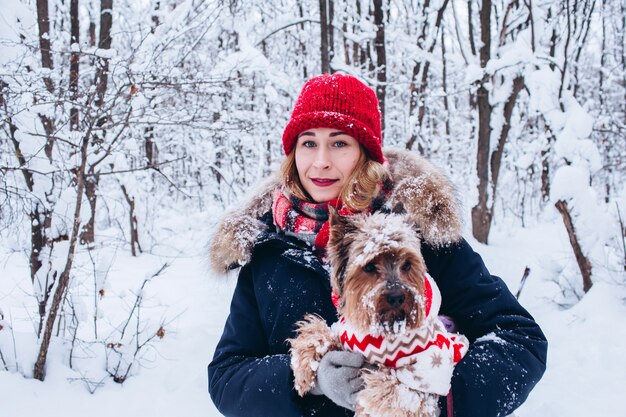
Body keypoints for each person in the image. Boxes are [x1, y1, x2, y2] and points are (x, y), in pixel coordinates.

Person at [207, 73, 547, 417]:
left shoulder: (419, 234)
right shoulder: (269, 250)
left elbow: (520, 342)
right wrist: (309, 379)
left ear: (365, 154)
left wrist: (432, 400)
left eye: (339, 143)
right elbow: (226, 377)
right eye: (308, 143)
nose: (321, 160)